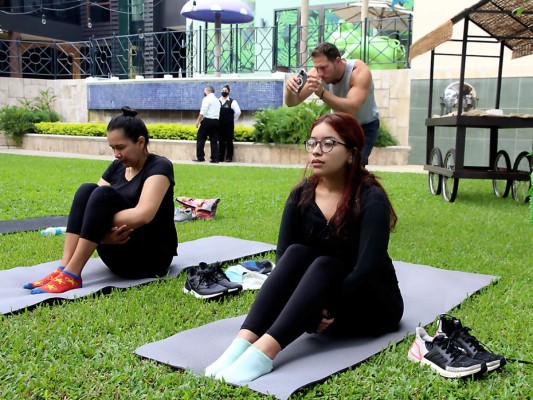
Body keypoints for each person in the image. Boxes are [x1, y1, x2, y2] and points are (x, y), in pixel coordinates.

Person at [205, 112, 403, 383]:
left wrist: (321, 309)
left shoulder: (370, 198)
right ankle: (242, 344)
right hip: (316, 303)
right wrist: (308, 310)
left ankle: (264, 354)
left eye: (328, 144)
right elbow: (284, 257)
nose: (317, 151)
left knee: (326, 263)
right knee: (297, 253)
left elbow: (366, 269)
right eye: (312, 143)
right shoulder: (302, 194)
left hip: (367, 301)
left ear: (351, 153)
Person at [24, 106, 178, 294]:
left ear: (140, 142)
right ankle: (63, 269)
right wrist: (101, 236)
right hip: (115, 251)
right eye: (113, 148)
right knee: (86, 190)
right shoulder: (116, 167)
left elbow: (143, 215)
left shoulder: (159, 166)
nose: (116, 154)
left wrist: (97, 225)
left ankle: (72, 274)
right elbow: (90, 204)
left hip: (150, 258)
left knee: (102, 194)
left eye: (121, 147)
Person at [284, 42, 380, 166]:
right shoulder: (317, 73)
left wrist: (322, 93)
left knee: (356, 165)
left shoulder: (359, 72)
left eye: (324, 68)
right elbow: (293, 102)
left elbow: (352, 109)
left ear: (337, 61)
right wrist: (289, 90)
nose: (320, 73)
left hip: (365, 126)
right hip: (340, 125)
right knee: (332, 164)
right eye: (317, 68)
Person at [194, 86, 221, 163]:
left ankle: (200, 157)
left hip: (207, 121)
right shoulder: (217, 100)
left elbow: (203, 111)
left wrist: (198, 121)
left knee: (201, 138)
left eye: (205, 91)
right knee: (214, 140)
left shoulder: (206, 99)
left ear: (208, 91)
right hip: (216, 121)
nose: (204, 93)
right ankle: (214, 158)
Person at [218, 85, 241, 162]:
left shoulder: (232, 101)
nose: (224, 92)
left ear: (228, 91)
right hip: (220, 124)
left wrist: (233, 119)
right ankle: (220, 157)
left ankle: (229, 157)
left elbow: (238, 112)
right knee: (221, 140)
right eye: (222, 90)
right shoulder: (218, 101)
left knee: (229, 140)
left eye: (225, 90)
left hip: (229, 124)